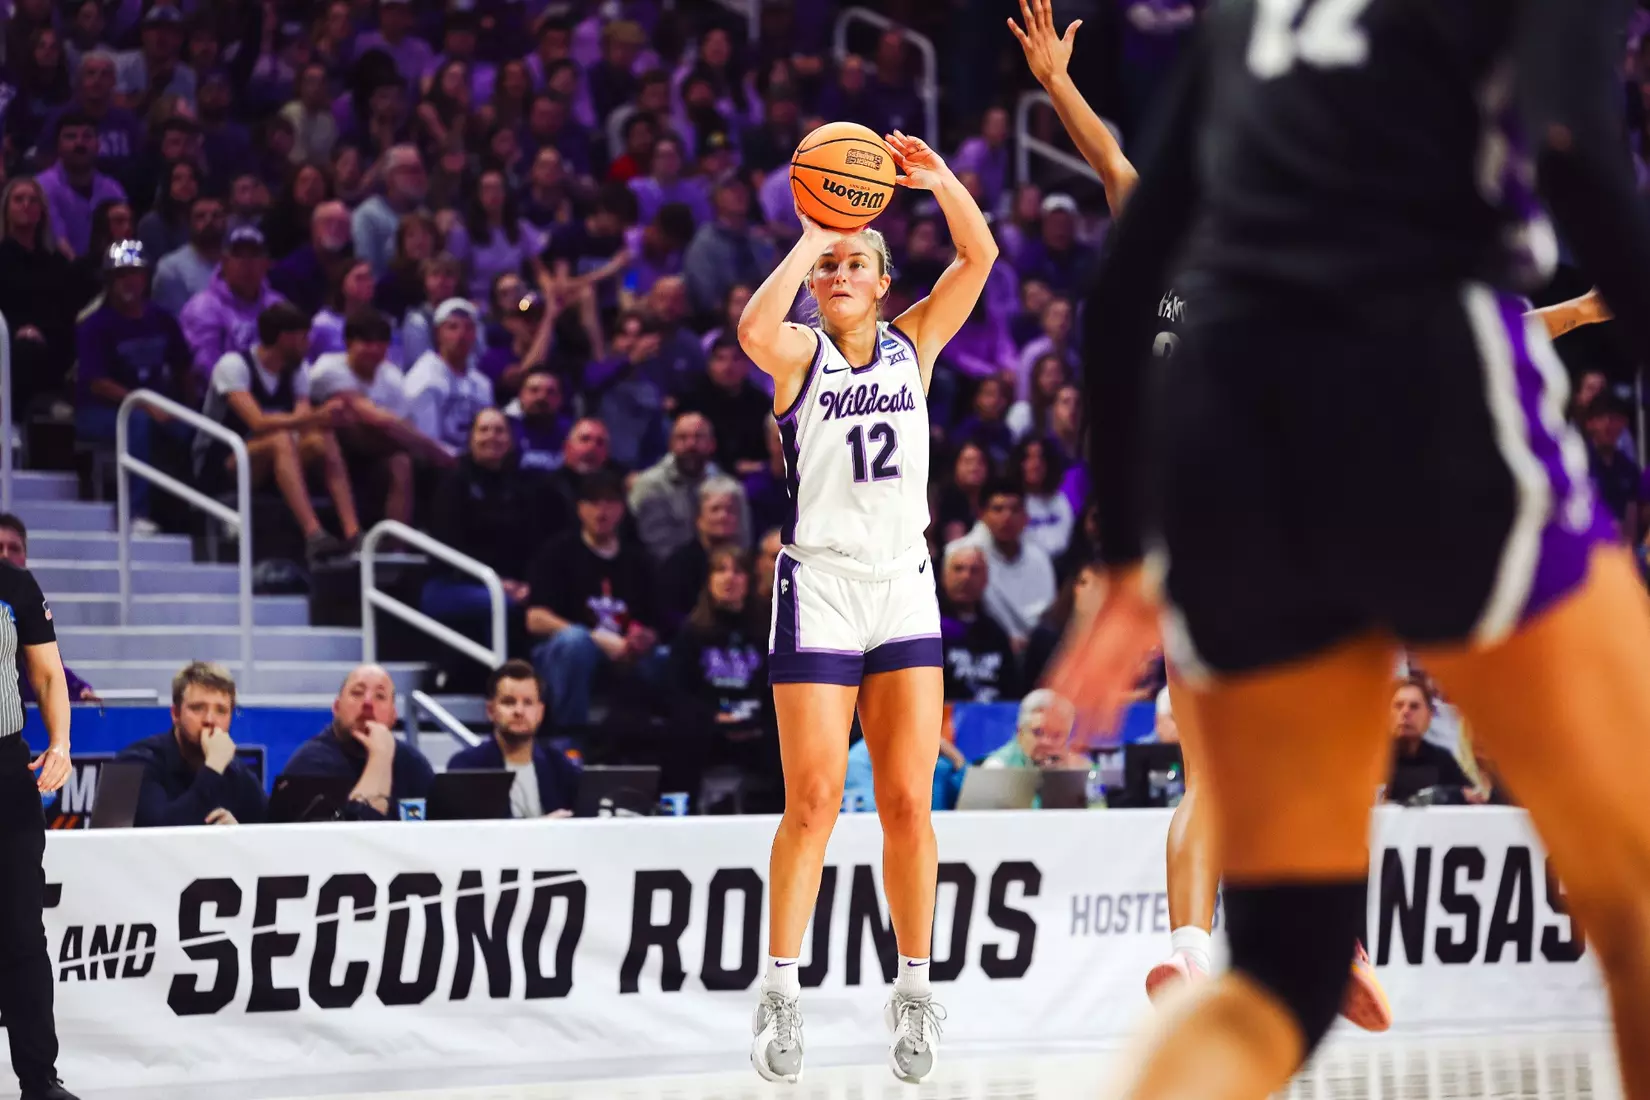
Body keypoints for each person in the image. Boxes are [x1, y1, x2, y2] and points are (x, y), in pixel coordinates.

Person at [1041, 0, 1650, 1094]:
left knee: (1278, 982)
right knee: (1639, 896)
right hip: (1417, 395)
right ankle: (1199, 939)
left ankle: (1270, 958)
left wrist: (1130, 555)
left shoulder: (1248, 22)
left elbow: (1126, 274)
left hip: (1226, 458)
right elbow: (1582, 166)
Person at [736, 129, 996, 1084]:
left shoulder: (914, 342)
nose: (841, 271)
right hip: (821, 589)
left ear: (883, 281)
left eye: (857, 261)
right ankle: (779, 992)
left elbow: (979, 256)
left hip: (904, 585)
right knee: (811, 801)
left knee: (905, 802)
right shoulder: (798, 352)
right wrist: (816, 230)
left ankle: (916, 996)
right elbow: (750, 334)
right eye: (830, 265)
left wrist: (938, 181)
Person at [193, 303, 355, 564]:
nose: (309, 343)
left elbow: (303, 421)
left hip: (277, 460)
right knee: (280, 439)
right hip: (224, 462)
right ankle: (314, 534)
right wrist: (316, 415)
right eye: (304, 336)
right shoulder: (234, 365)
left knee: (322, 436)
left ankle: (353, 534)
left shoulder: (297, 370)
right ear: (284, 338)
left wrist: (329, 418)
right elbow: (256, 422)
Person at [0, 548, 76, 1100]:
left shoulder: (14, 585)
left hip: (4, 766)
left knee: (22, 931)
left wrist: (61, 744)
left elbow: (47, 675)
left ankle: (38, 1079)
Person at [117, 661, 266, 827]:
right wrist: (213, 768)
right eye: (198, 708)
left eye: (221, 710)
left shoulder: (237, 775)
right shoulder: (133, 763)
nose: (210, 720)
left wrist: (239, 834)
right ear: (175, 714)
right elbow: (160, 836)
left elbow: (273, 839)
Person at [280, 664, 435, 821]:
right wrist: (380, 757)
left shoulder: (413, 765)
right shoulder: (309, 764)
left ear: (393, 715)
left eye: (380, 696)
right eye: (357, 693)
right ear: (336, 707)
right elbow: (356, 839)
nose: (368, 702)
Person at [446, 660, 579, 819]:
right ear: (491, 710)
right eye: (509, 702)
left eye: (528, 703)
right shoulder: (467, 767)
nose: (519, 711)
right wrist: (542, 827)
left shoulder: (559, 766)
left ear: (540, 712)